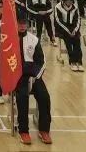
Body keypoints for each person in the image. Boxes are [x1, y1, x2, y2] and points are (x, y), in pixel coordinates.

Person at [14, 15, 53, 145]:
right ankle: (24, 131)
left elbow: (41, 61)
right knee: (22, 98)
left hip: (33, 76)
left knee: (44, 97)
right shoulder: (9, 39)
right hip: (17, 77)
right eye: (19, 23)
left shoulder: (34, 39)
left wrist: (35, 77)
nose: (22, 26)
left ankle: (44, 130)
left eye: (24, 23)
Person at [53, 0, 83, 71]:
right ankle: (72, 62)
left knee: (77, 41)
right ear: (64, 0)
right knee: (68, 42)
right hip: (62, 28)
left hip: (73, 28)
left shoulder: (75, 7)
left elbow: (78, 20)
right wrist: (68, 31)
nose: (69, 2)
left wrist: (75, 30)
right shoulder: (58, 7)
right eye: (67, 0)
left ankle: (79, 62)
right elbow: (58, 21)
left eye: (71, 1)